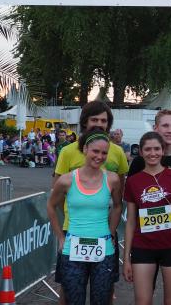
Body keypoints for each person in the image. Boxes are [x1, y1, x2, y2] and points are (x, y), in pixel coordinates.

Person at [53, 101, 130, 305]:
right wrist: (63, 232)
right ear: (85, 121)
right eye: (94, 119)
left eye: (103, 120)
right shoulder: (68, 151)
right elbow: (56, 195)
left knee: (105, 292)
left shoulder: (117, 153)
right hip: (73, 230)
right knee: (68, 291)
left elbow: (117, 198)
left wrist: (112, 231)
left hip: (103, 234)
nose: (99, 123)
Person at [123, 131, 171, 305]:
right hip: (143, 247)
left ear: (163, 151)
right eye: (147, 149)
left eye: (156, 149)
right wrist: (126, 259)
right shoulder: (133, 181)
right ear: (141, 152)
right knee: (143, 301)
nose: (152, 153)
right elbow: (131, 222)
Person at [128, 109, 171, 190]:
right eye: (165, 126)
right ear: (155, 128)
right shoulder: (140, 161)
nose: (170, 130)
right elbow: (131, 194)